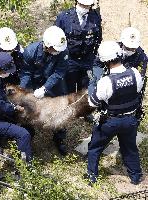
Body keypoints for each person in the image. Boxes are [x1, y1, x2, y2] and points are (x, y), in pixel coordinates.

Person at [86, 41, 143, 185]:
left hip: (110, 122)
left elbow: (92, 103)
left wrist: (93, 84)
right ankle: (135, 176)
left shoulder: (105, 82)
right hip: (130, 120)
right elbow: (137, 92)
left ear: (105, 61)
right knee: (130, 148)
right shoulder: (135, 73)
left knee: (95, 148)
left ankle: (92, 176)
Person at [19, 26, 68, 155]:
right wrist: (24, 91)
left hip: (54, 84)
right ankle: (27, 136)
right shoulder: (30, 51)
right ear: (47, 45)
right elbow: (26, 73)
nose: (57, 51)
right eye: (54, 49)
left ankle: (59, 138)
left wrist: (45, 88)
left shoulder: (62, 50)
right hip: (34, 82)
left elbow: (59, 72)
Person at [56, 0, 102, 93]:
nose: (84, 8)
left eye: (87, 6)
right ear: (76, 2)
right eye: (82, 5)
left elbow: (98, 38)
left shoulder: (95, 17)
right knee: (69, 91)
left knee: (85, 92)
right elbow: (56, 37)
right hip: (70, 60)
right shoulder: (64, 17)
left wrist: (93, 57)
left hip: (87, 60)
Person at [89, 27, 148, 95]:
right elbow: (97, 63)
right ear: (122, 43)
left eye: (133, 49)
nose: (130, 50)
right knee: (95, 80)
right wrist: (98, 76)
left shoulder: (141, 57)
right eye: (128, 47)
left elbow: (140, 78)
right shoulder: (112, 48)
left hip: (127, 79)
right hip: (109, 76)